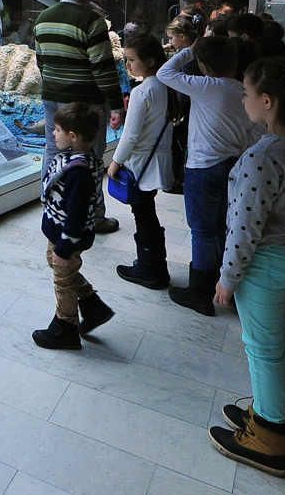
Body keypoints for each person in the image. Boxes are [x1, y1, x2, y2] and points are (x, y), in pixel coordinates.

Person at [208, 57, 285, 476]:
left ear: (268, 101)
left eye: (247, 93)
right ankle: (276, 414)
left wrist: (227, 279)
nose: (244, 100)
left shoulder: (264, 155)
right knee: (283, 344)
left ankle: (268, 436)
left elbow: (245, 227)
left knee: (262, 351)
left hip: (267, 264)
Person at [157, 36, 263, 316]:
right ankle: (224, 281)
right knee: (222, 226)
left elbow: (164, 73)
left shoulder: (205, 86)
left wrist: (188, 51)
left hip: (202, 169)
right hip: (232, 168)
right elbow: (255, 131)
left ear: (203, 66)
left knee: (202, 231)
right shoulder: (243, 90)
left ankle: (199, 291)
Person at [34, 0, 125, 233]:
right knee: (90, 158)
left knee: (53, 151)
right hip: (85, 105)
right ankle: (93, 218)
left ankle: (52, 209)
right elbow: (103, 69)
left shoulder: (42, 18)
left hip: (52, 98)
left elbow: (41, 62)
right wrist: (116, 105)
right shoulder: (92, 21)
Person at [32, 102, 117, 349]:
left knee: (63, 280)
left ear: (72, 136)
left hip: (66, 237)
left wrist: (65, 246)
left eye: (57, 130)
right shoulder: (80, 159)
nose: (53, 133)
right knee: (63, 270)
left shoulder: (78, 172)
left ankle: (66, 327)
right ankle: (92, 305)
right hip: (58, 234)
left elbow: (77, 215)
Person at [110, 35, 175, 289]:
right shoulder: (166, 86)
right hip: (158, 161)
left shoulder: (142, 91)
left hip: (140, 164)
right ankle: (156, 266)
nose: (127, 65)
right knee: (148, 213)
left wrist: (115, 161)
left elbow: (131, 135)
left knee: (143, 216)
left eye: (131, 59)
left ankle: (149, 270)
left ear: (149, 61)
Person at [164, 17, 201, 194]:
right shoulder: (191, 56)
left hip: (187, 110)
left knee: (181, 144)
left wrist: (178, 111)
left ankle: (180, 179)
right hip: (191, 108)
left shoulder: (189, 60)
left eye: (172, 38)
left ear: (182, 36)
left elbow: (185, 91)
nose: (170, 42)